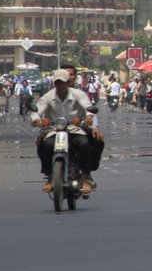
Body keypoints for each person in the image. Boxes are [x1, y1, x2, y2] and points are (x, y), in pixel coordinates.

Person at [30, 68, 103, 196]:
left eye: (62, 82)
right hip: (54, 130)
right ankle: (50, 176)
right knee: (45, 145)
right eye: (57, 83)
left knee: (84, 144)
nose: (60, 86)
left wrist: (89, 117)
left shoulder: (78, 94)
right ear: (54, 83)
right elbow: (37, 111)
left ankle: (85, 177)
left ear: (68, 82)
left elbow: (87, 106)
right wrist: (36, 120)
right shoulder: (48, 97)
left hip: (74, 129)